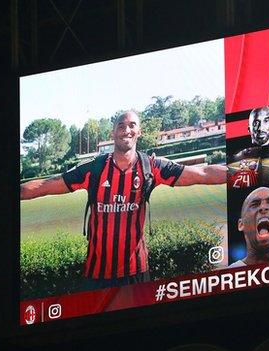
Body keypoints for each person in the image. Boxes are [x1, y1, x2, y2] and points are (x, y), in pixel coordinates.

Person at [20, 111, 227, 288]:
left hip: (136, 272)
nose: (126, 130)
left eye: (132, 125)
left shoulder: (151, 168)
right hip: (96, 274)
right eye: (121, 125)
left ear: (139, 131)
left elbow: (202, 173)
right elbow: (46, 185)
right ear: (113, 133)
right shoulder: (95, 169)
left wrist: (241, 172)